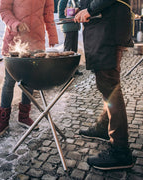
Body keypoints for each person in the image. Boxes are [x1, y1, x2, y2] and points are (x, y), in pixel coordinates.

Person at [74, 0, 134, 170]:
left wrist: (90, 9)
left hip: (108, 27)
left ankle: (120, 150)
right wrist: (84, 6)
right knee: (107, 85)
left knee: (110, 85)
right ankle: (103, 127)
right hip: (106, 26)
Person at [0, 0, 59, 137]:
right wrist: (16, 24)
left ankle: (23, 117)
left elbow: (48, 14)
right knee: (9, 82)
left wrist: (52, 35)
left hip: (36, 41)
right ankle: (3, 121)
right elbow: (3, 10)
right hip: (14, 41)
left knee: (29, 81)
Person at [58, 0, 83, 76]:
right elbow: (61, 16)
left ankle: (74, 69)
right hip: (68, 28)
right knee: (68, 50)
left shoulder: (75, 1)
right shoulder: (63, 1)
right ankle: (66, 70)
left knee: (74, 50)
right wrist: (68, 17)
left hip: (75, 27)